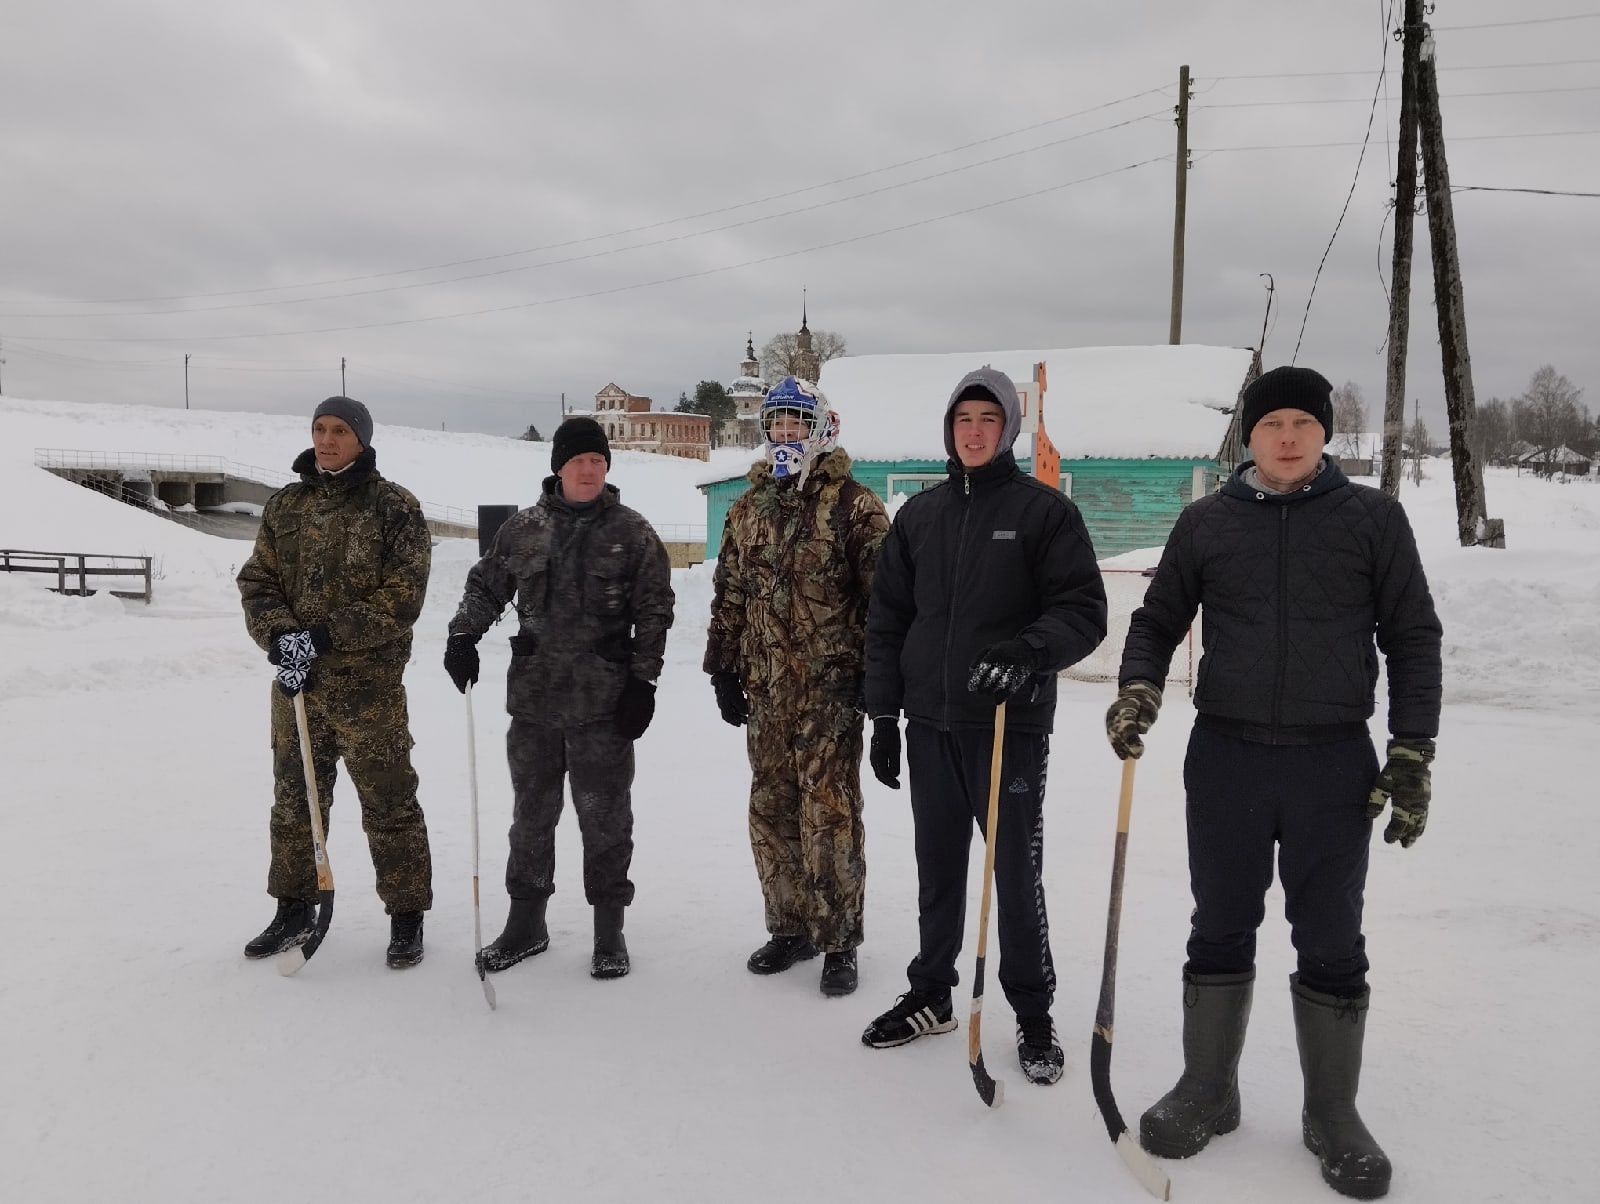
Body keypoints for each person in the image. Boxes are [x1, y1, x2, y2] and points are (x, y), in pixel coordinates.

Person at [1106, 365, 1442, 1200]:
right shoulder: (1206, 523)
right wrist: (1138, 687)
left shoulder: (1374, 520)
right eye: (1269, 424)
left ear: (1324, 432)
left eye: (1301, 422)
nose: (1286, 437)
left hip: (1333, 761)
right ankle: (1208, 1090)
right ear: (1248, 437)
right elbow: (1156, 619)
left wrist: (1412, 750)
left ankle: (1332, 1113)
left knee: (1331, 936)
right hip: (1227, 756)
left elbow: (1413, 636)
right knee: (1219, 923)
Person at [860, 366, 1108, 1085]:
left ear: (1007, 431)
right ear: (950, 429)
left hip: (1007, 726)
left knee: (1013, 873)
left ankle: (1033, 1015)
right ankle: (932, 994)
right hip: (929, 724)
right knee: (938, 870)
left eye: (987, 420)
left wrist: (1027, 652)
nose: (974, 432)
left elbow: (1083, 610)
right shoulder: (920, 516)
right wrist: (882, 713)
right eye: (964, 419)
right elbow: (888, 621)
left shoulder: (1043, 513)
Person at [444, 416, 674, 980]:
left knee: (605, 817)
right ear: (559, 467)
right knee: (531, 815)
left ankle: (609, 930)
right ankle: (526, 922)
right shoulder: (522, 530)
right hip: (535, 701)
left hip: (604, 702)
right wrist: (461, 635)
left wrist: (643, 682)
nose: (589, 470)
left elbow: (655, 611)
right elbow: (486, 586)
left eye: (597, 461)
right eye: (578, 461)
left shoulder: (633, 532)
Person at [703, 377, 889, 998]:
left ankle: (838, 940)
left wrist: (875, 677)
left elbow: (883, 600)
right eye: (776, 424)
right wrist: (723, 666)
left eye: (795, 424)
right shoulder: (747, 509)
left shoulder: (853, 506)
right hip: (767, 691)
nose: (785, 435)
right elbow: (730, 592)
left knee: (829, 816)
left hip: (831, 694)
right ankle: (789, 927)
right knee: (772, 809)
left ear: (819, 428)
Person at [237, 395, 435, 968]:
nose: (327, 440)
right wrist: (279, 638)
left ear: (362, 439)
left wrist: (322, 637)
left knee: (389, 800)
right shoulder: (285, 507)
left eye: (340, 431)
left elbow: (403, 597)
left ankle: (405, 916)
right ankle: (292, 907)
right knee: (294, 801)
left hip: (367, 689)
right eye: (320, 429)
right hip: (298, 686)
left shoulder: (394, 507)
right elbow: (258, 581)